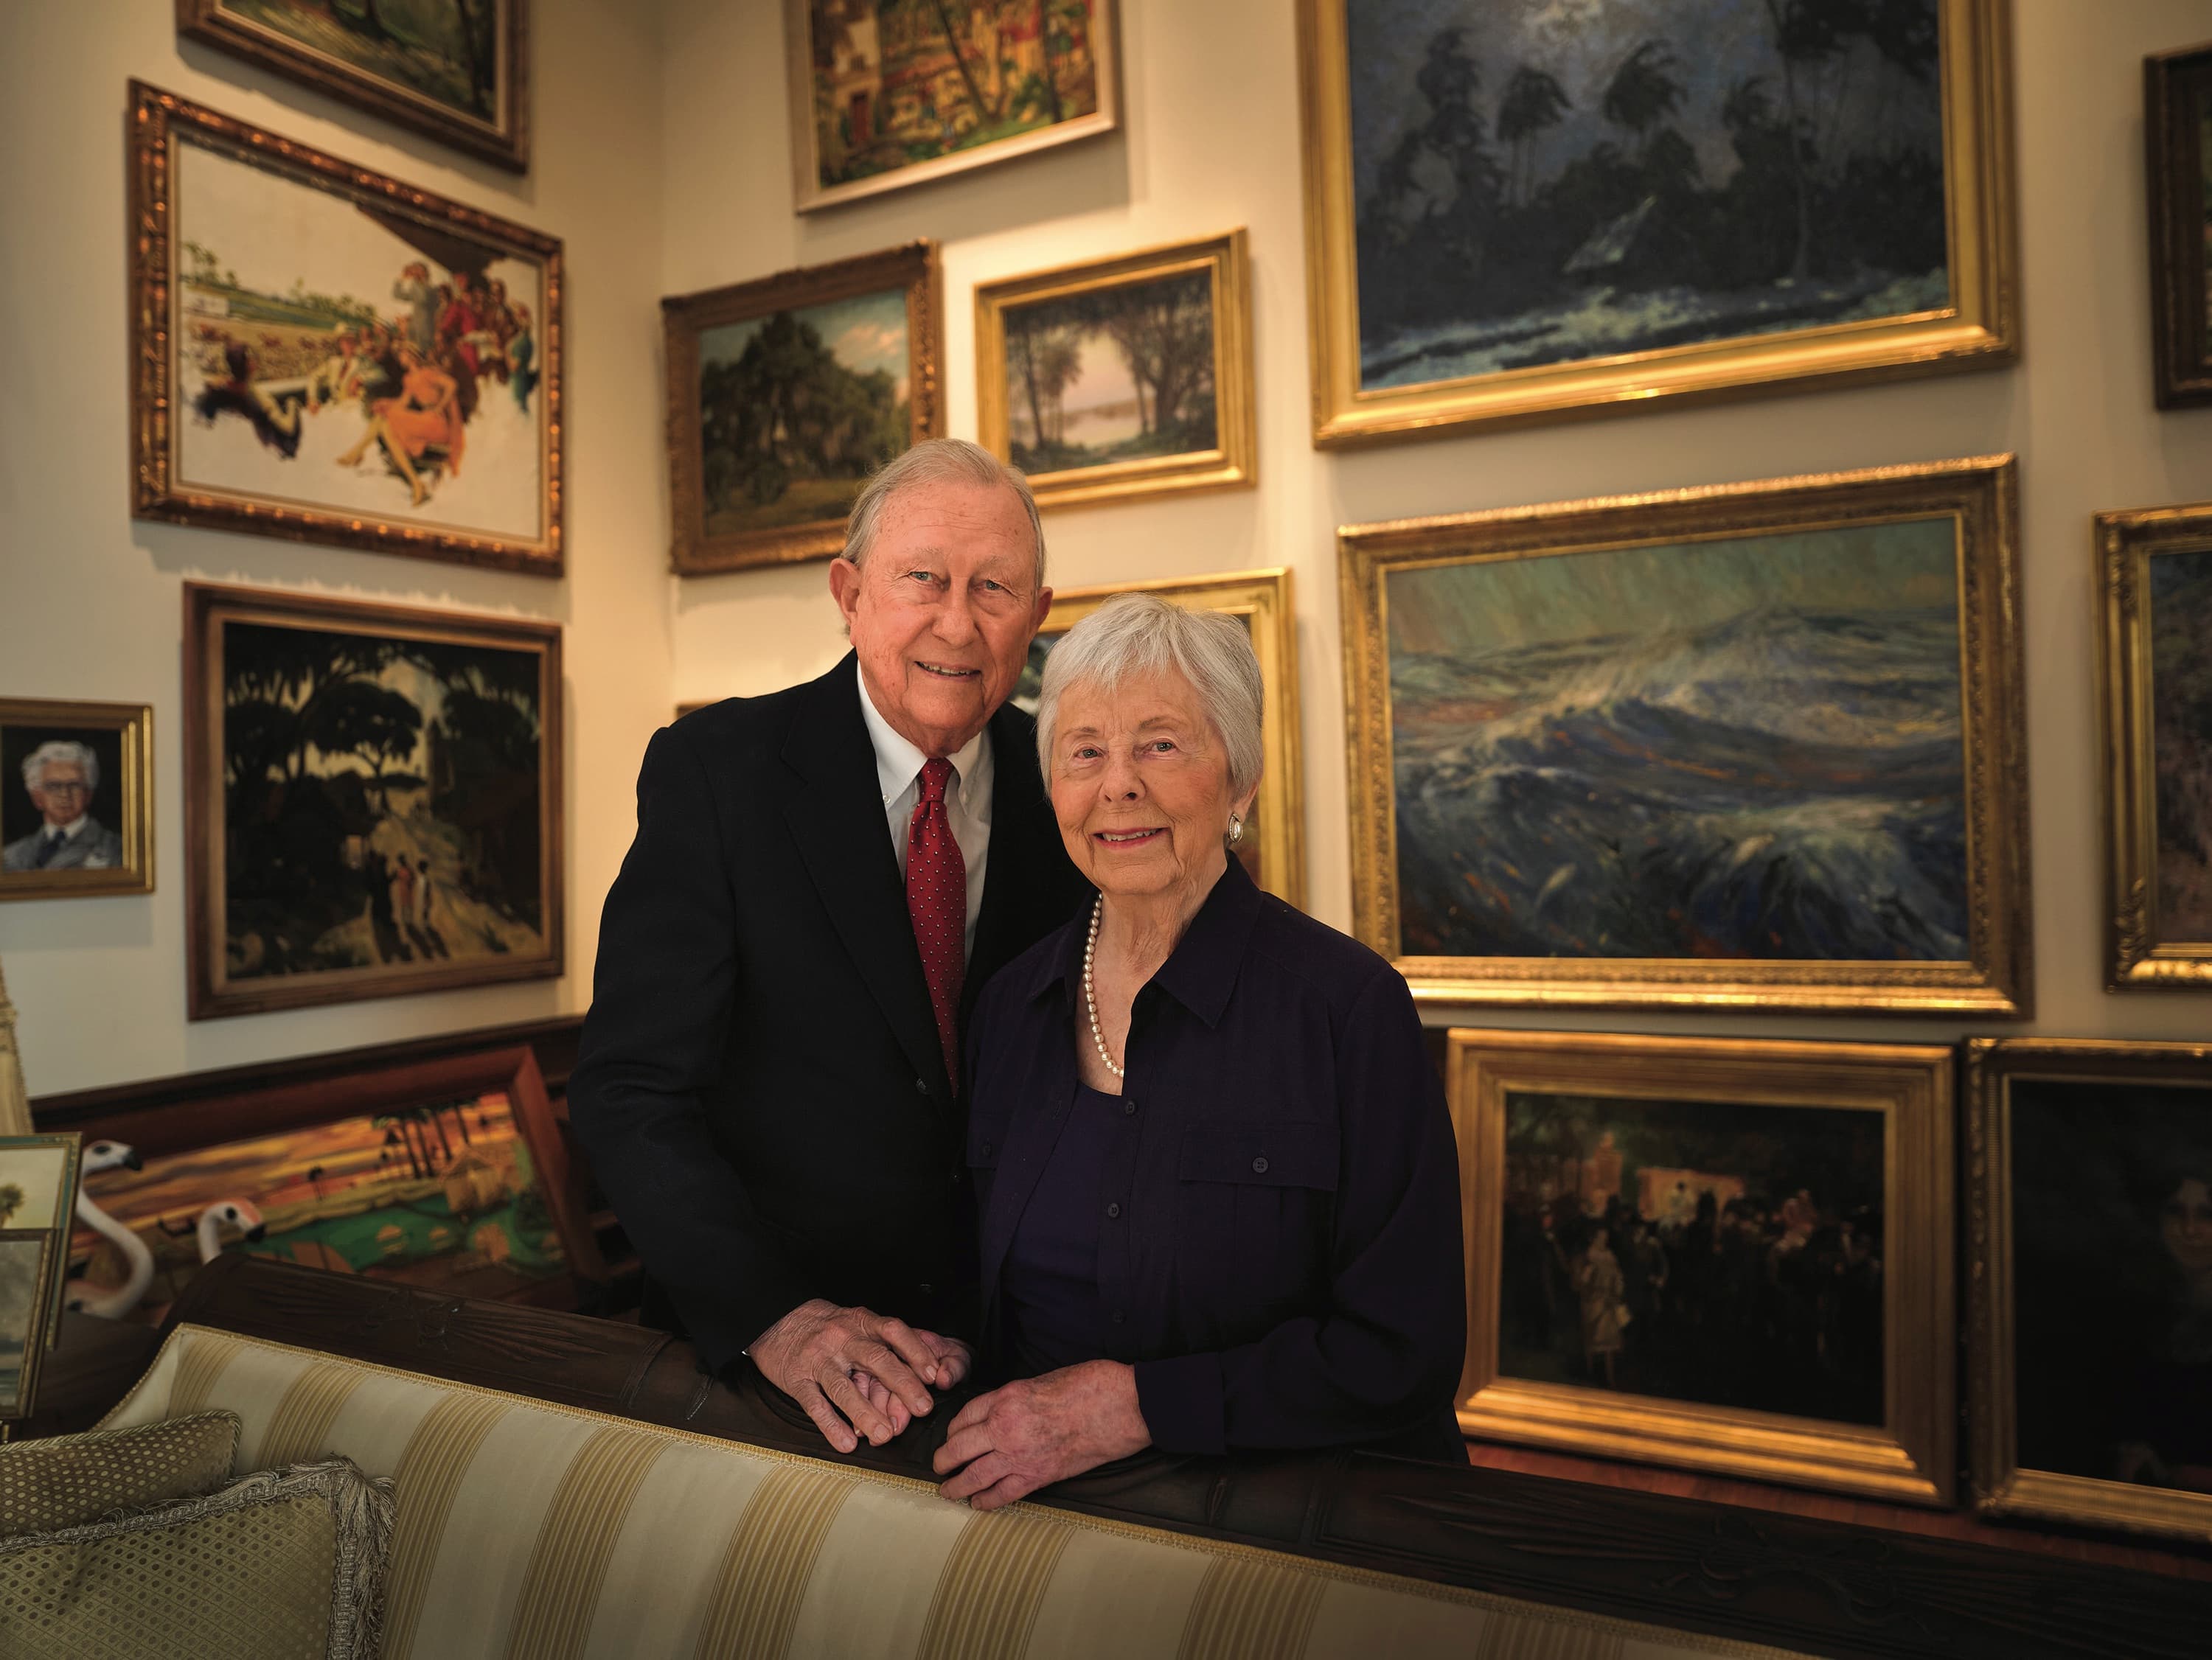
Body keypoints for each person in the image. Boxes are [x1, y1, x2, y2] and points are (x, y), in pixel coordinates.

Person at [568, 439, 1091, 1457]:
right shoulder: (722, 774)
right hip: (773, 1380)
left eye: (995, 589)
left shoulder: (1072, 785)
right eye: (923, 580)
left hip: (1019, 1377)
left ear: (1037, 615)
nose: (958, 621)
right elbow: (629, 1089)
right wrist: (776, 1318)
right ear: (849, 593)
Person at [929, 594, 1465, 1512]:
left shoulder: (1349, 1009)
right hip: (1039, 1513)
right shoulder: (1008, 1006)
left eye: (1161, 744)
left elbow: (1401, 1351)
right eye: (1085, 750)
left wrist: (1137, 1407)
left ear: (1241, 780)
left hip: (1293, 1528)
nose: (1118, 784)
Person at [335, 342, 463, 506]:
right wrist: (385, 403)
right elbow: (402, 403)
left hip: (436, 424)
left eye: (402, 354)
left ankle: (356, 453)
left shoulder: (428, 373)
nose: (400, 358)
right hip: (424, 420)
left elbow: (452, 385)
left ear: (411, 356)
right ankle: (416, 484)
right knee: (386, 426)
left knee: (385, 421)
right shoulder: (408, 379)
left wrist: (439, 407)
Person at [4, 742, 124, 871]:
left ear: (88, 794)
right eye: (53, 786)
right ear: (37, 797)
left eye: (74, 785)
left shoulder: (117, 849)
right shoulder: (11, 855)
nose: (64, 795)